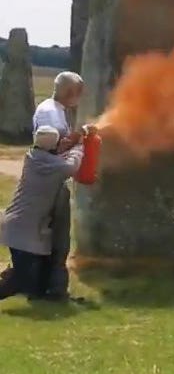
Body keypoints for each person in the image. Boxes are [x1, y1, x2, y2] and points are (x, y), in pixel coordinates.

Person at [0, 127, 84, 301]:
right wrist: (79, 147)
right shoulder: (54, 165)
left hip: (19, 228)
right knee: (21, 280)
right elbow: (71, 166)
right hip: (23, 231)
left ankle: (24, 282)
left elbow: (56, 160)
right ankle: (11, 278)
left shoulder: (33, 156)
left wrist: (67, 146)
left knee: (34, 284)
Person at [32, 72, 90, 301]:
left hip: (49, 182)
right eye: (78, 93)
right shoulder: (51, 113)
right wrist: (80, 138)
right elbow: (54, 148)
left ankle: (42, 286)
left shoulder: (51, 109)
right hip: (52, 184)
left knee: (50, 238)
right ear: (69, 92)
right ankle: (55, 290)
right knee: (58, 239)